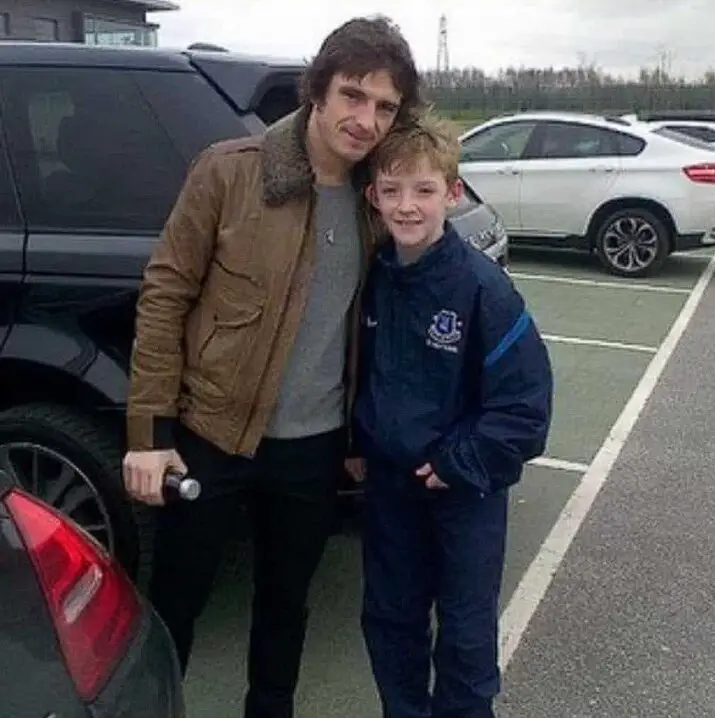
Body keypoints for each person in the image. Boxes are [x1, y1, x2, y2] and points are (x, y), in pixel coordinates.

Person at [121, 16, 421, 718]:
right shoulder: (229, 171)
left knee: (287, 604)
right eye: (352, 94)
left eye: (384, 107)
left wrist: (363, 442)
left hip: (313, 450)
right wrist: (148, 433)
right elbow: (165, 296)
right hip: (209, 435)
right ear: (317, 89)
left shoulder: (379, 199)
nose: (365, 119)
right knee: (175, 602)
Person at [352, 110, 554, 718]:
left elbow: (524, 409)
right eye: (392, 191)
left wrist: (457, 463)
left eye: (423, 189)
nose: (407, 206)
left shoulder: (483, 289)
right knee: (391, 622)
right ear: (373, 197)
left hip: (463, 491)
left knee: (465, 639)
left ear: (453, 192)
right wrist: (358, 444)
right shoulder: (375, 279)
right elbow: (364, 376)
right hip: (390, 490)